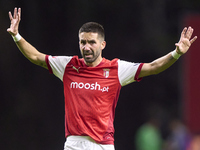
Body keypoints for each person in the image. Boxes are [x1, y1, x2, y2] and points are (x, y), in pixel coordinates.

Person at [7, 7, 197, 150]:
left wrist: (176, 53)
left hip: (103, 145)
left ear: (102, 44)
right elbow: (37, 57)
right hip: (74, 143)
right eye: (83, 42)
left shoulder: (116, 68)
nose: (86, 47)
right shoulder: (68, 66)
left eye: (91, 42)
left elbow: (153, 67)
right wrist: (16, 36)